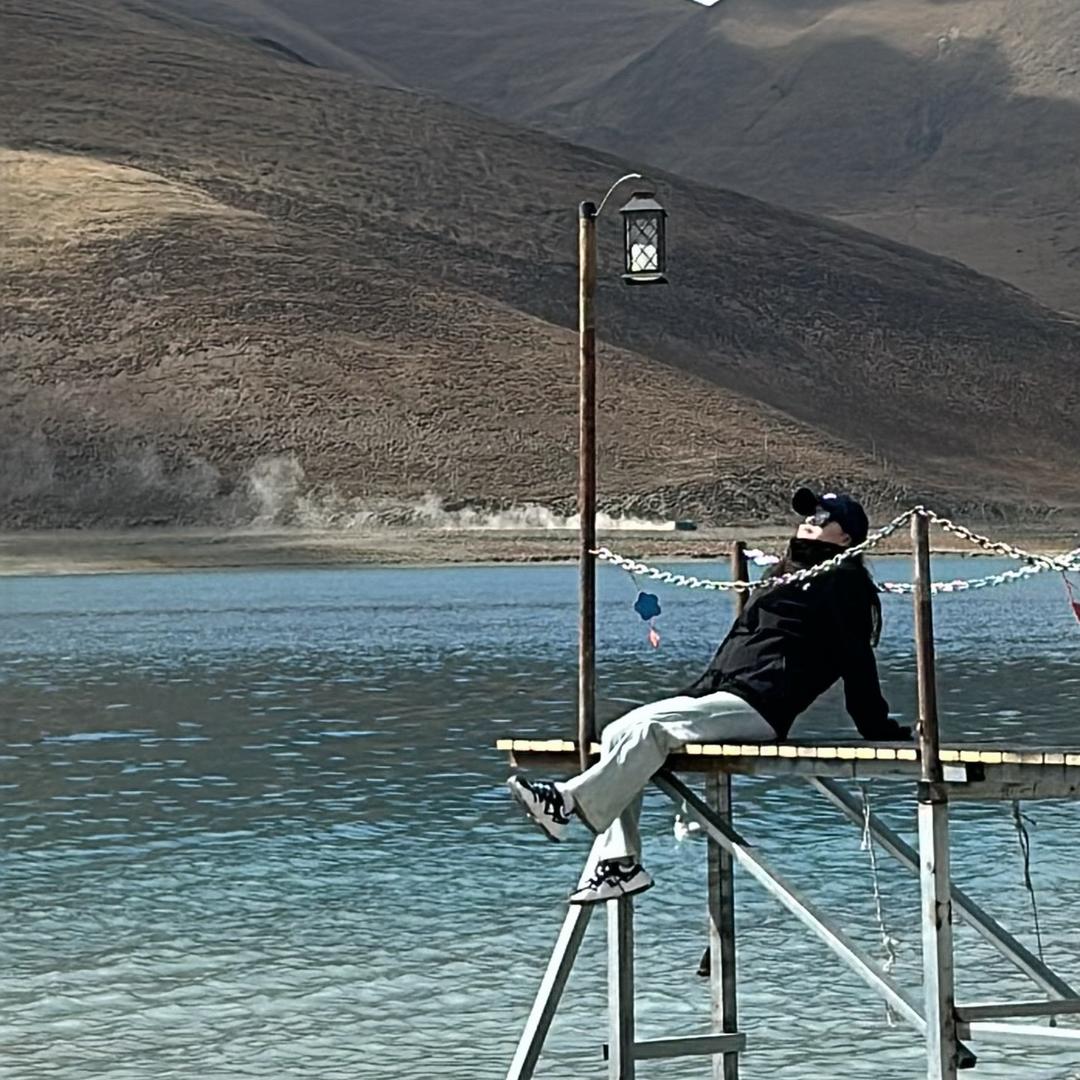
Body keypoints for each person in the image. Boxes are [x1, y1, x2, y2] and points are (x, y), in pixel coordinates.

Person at [506, 487, 911, 904]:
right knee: (617, 731)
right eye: (810, 515)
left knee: (651, 729)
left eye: (826, 518)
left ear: (847, 539)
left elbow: (858, 662)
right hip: (720, 694)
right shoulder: (783, 575)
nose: (812, 520)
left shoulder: (846, 587)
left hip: (762, 706)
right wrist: (697, 694)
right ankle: (620, 864)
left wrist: (878, 728)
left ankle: (566, 800)